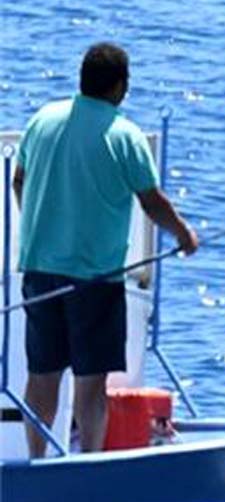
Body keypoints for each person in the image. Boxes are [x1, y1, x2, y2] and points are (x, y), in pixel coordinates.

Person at [11, 42, 199, 457]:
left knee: (42, 375)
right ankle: (90, 461)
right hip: (94, 277)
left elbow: (18, 180)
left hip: (40, 270)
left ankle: (36, 459)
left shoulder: (42, 120)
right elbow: (152, 202)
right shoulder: (124, 135)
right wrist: (184, 234)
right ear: (120, 86)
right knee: (91, 381)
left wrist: (39, 223)